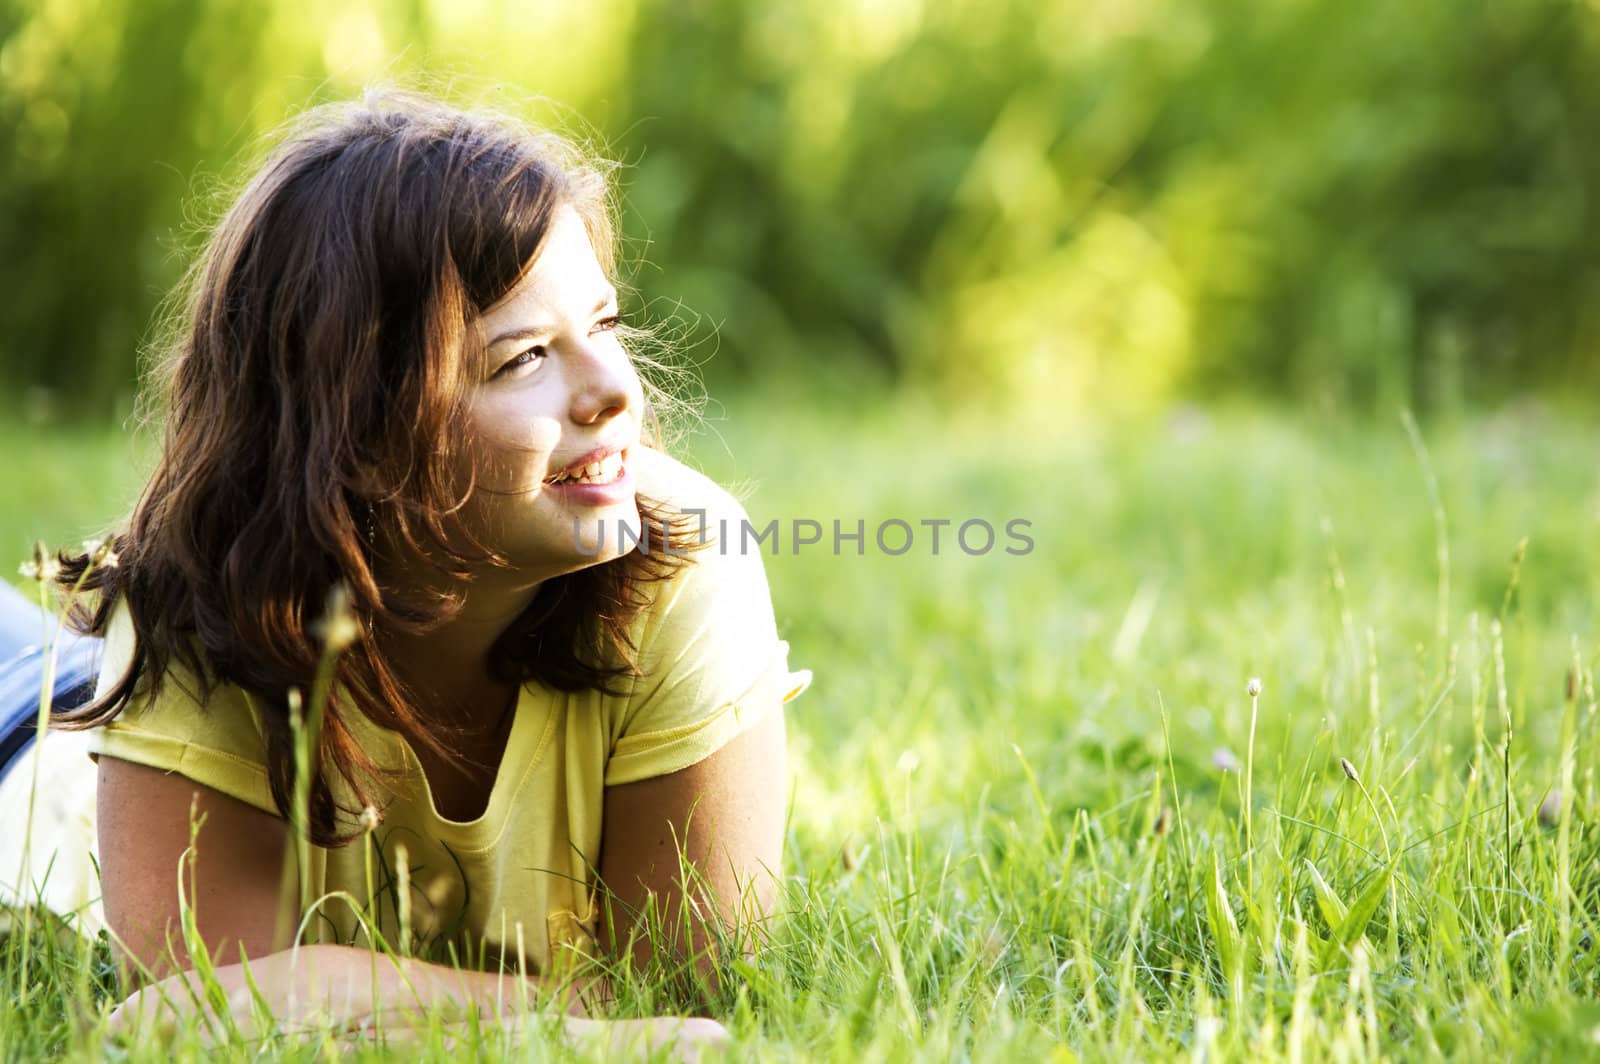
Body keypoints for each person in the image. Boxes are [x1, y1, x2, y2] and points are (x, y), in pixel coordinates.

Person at [0, 89, 809, 1051]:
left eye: (607, 324)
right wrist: (583, 1022)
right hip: (33, 748)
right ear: (360, 438)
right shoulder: (192, 600)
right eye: (522, 360)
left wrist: (318, 985)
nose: (613, 390)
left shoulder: (688, 559)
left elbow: (691, 995)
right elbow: (187, 1018)